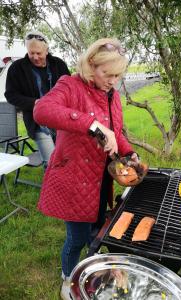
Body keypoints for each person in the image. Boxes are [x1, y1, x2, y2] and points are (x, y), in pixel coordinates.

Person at [33, 37, 139, 300]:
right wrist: (92, 125)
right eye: (108, 74)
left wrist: (129, 151)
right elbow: (42, 110)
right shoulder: (70, 85)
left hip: (102, 178)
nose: (113, 81)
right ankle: (68, 278)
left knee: (97, 232)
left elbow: (114, 131)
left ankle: (92, 271)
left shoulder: (111, 94)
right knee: (77, 238)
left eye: (118, 75)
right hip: (75, 180)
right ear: (92, 65)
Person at [5, 30, 70, 169]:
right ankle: (52, 189)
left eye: (38, 53)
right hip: (38, 123)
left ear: (46, 50)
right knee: (52, 163)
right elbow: (10, 95)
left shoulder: (59, 64)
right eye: (31, 53)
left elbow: (71, 88)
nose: (34, 57)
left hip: (60, 120)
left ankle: (65, 187)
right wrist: (34, 102)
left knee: (66, 158)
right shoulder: (17, 68)